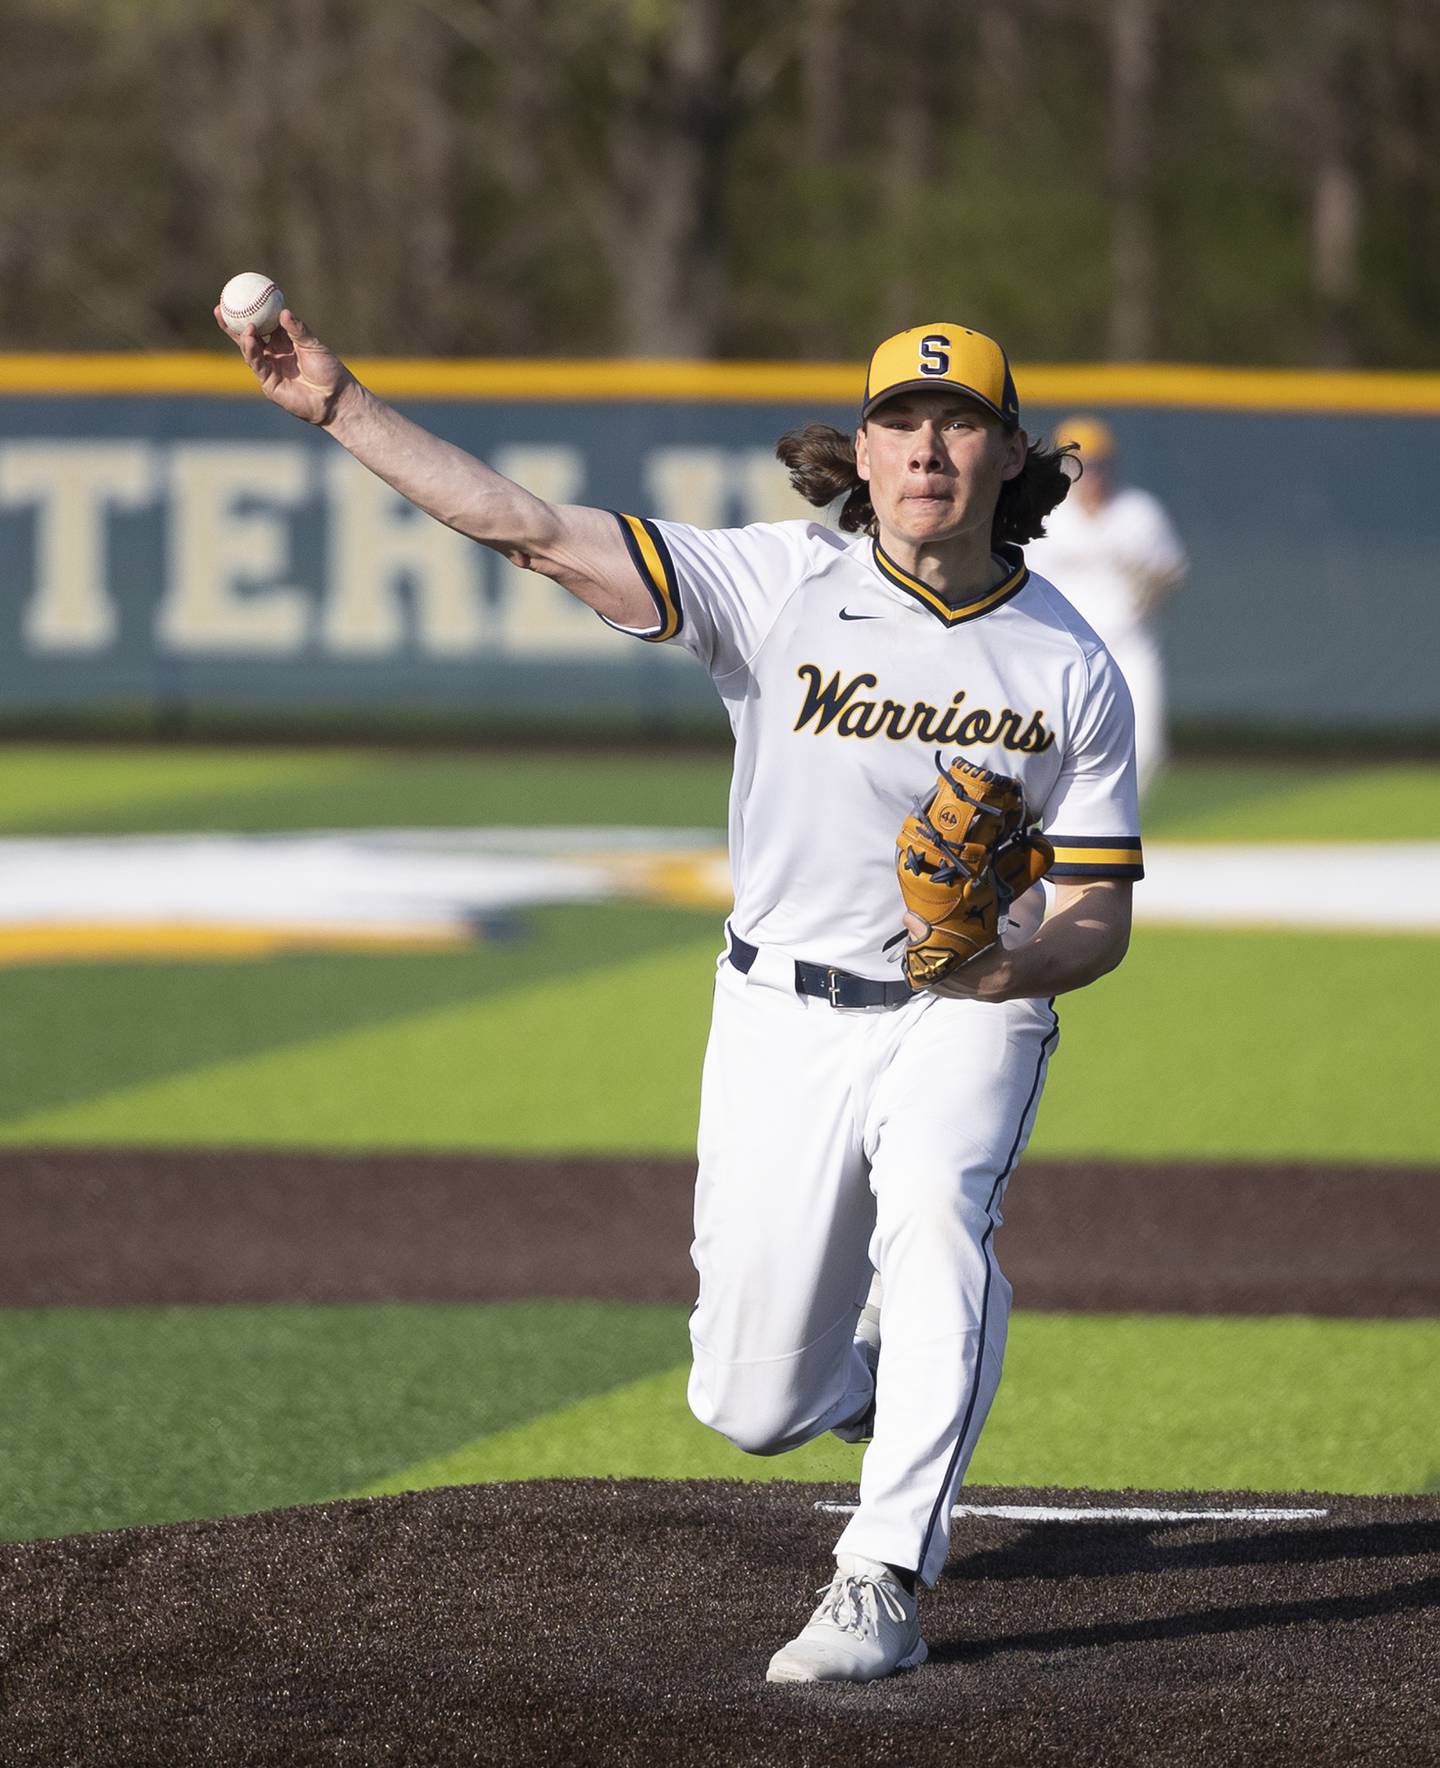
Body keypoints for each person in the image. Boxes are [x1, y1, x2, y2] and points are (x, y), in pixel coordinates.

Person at [218, 305, 1143, 1685]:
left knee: (944, 1217)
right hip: (777, 1007)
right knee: (751, 1400)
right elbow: (526, 525)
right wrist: (344, 406)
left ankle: (881, 1575)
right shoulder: (773, 584)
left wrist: (1000, 966)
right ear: (865, 452)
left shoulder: (1070, 664)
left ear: (1010, 454)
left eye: (959, 422)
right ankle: (891, 1372)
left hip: (962, 1005)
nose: (927, 446)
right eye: (900, 420)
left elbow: (1101, 911)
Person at [1025, 415, 1187, 796]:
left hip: (1129, 644)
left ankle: (1118, 829)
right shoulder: (1044, 515)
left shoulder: (1139, 512)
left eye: (1098, 463)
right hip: (1060, 647)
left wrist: (1153, 581)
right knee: (1043, 743)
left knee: (1146, 747)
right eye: (1080, 464)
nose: (1091, 474)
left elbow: (1173, 572)